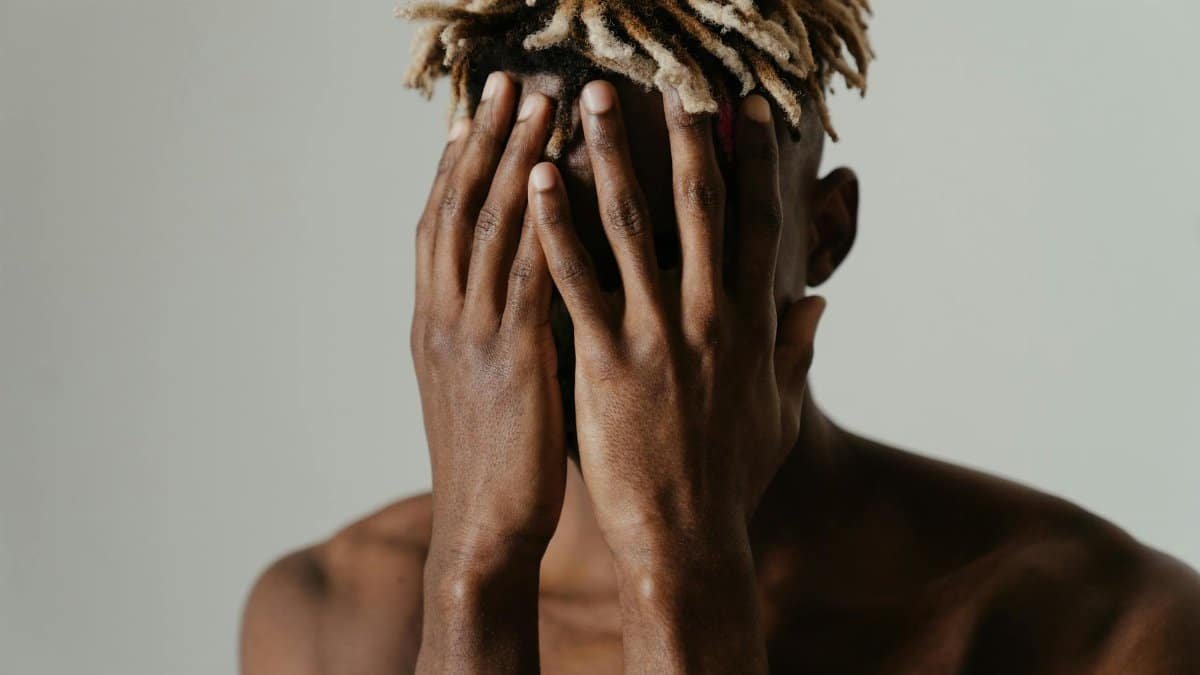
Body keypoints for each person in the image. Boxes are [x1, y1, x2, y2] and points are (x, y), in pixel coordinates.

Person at [240, 1, 1200, 672]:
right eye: (545, 242)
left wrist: (681, 560)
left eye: (664, 254)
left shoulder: (1104, 630)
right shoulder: (337, 621)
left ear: (822, 233)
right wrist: (475, 574)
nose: (610, 330)